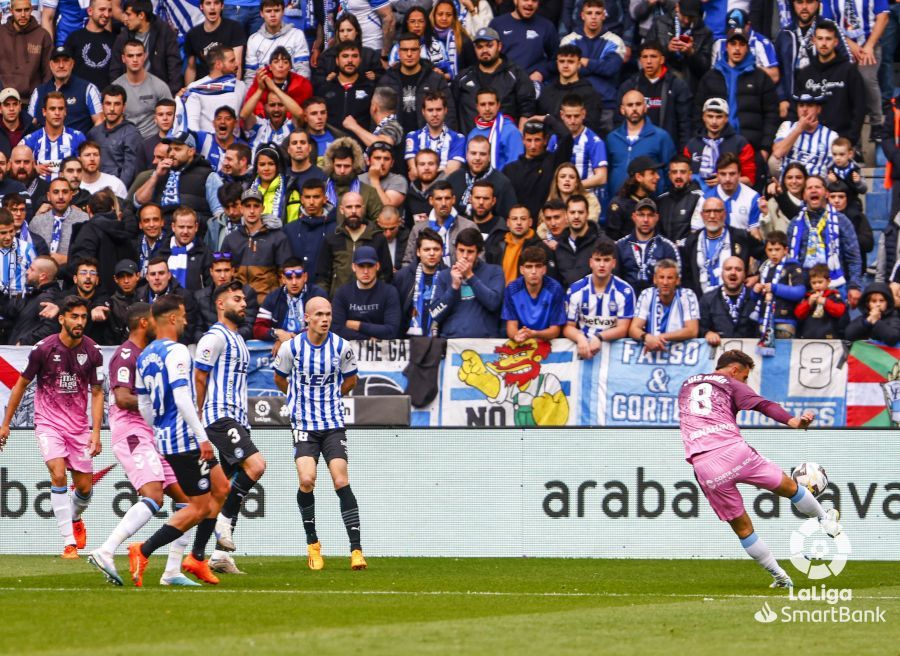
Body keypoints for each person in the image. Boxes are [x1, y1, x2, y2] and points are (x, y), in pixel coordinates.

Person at [677, 349, 840, 588]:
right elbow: (762, 404)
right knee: (790, 487)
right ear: (734, 370)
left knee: (743, 528)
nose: (744, 382)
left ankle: (780, 576)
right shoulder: (728, 381)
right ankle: (824, 519)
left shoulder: (686, 386)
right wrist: (793, 421)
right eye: (744, 377)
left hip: (703, 464)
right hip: (733, 451)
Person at [87, 303, 197, 587]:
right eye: (153, 319)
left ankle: (171, 571)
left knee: (188, 501)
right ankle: (106, 550)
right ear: (144, 323)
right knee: (153, 495)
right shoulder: (126, 354)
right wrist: (161, 402)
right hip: (132, 433)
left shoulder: (147, 355)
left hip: (151, 435)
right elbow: (122, 397)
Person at [129, 295, 230, 587]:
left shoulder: (145, 355)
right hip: (185, 440)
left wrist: (158, 429)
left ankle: (194, 560)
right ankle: (144, 550)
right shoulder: (178, 352)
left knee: (221, 487)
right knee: (197, 507)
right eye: (183, 316)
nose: (186, 321)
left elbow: (144, 405)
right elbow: (183, 397)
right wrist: (202, 438)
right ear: (172, 318)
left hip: (167, 435)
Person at [0, 295, 103, 558]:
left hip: (78, 428)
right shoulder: (43, 349)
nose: (80, 322)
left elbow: (98, 392)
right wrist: (5, 424)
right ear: (62, 319)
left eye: (83, 317)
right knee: (58, 475)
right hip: (48, 423)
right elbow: (20, 385)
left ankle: (76, 518)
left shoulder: (92, 351)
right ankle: (69, 543)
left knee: (84, 488)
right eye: (74, 317)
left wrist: (95, 432)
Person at [273, 296, 367, 571]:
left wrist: (331, 399)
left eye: (328, 314)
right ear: (307, 318)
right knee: (306, 480)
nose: (325, 319)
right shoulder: (291, 348)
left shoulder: (341, 346)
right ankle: (313, 545)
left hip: (333, 423)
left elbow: (351, 380)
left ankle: (356, 550)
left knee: (340, 480)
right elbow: (280, 378)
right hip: (303, 423)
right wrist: (297, 400)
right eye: (319, 314)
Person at [195, 281, 265, 572]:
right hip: (219, 417)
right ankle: (223, 525)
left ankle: (210, 556)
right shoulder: (214, 337)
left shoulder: (239, 340)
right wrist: (198, 423)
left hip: (238, 418)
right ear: (221, 304)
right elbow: (199, 377)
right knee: (257, 466)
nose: (244, 303)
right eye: (236, 299)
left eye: (244, 299)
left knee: (222, 490)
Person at [695, 24, 780, 164]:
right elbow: (697, 112)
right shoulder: (710, 77)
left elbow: (771, 115)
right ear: (726, 46)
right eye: (733, 43)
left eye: (741, 44)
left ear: (747, 47)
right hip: (715, 148)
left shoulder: (761, 77)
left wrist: (765, 149)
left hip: (751, 149)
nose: (737, 48)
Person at [786, 175, 863, 304]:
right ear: (804, 195)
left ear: (826, 193)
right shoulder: (795, 223)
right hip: (803, 287)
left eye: (818, 187)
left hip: (835, 285)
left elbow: (854, 257)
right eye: (809, 188)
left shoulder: (841, 220)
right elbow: (788, 256)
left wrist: (854, 286)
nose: (814, 190)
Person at [821, 0, 889, 138]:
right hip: (841, 45)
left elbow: (883, 17)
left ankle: (876, 123)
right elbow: (828, 23)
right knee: (846, 86)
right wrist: (849, 44)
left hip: (871, 43)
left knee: (866, 77)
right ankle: (850, 130)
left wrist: (869, 46)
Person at [794, 19, 866, 146]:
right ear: (813, 41)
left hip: (840, 142)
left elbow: (859, 107)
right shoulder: (804, 74)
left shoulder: (849, 71)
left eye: (828, 39)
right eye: (820, 38)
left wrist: (850, 139)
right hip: (811, 143)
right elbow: (797, 109)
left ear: (836, 42)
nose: (824, 43)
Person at [452, 27, 536, 133]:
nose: (484, 50)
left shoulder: (516, 74)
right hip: (470, 145)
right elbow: (451, 111)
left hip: (504, 144)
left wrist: (518, 138)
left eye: (489, 45)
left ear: (499, 46)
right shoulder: (463, 77)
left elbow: (527, 110)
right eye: (480, 47)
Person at [563, 239, 635, 358]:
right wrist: (580, 338)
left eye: (606, 260)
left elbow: (623, 329)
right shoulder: (575, 290)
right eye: (597, 260)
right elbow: (568, 327)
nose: (602, 265)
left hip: (614, 353)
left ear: (614, 263)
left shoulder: (625, 291)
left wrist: (599, 337)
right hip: (583, 349)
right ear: (591, 262)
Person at [681, 196, 764, 297]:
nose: (712, 216)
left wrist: (757, 277)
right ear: (702, 215)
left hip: (734, 301)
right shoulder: (692, 241)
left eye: (717, 211)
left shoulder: (740, 237)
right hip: (701, 303)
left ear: (724, 214)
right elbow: (685, 275)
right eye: (708, 211)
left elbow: (766, 254)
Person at [430, 226, 505, 338]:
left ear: (479, 253)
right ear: (455, 250)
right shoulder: (444, 276)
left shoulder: (495, 271)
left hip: (485, 344)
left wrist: (470, 276)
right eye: (461, 250)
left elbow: (493, 303)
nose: (465, 256)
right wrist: (454, 287)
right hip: (452, 343)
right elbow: (435, 314)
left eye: (470, 251)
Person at [616, 40, 692, 149]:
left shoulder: (676, 85)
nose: (649, 61)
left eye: (653, 56)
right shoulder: (629, 86)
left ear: (662, 59)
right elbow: (619, 120)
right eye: (645, 57)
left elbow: (685, 123)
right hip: (636, 147)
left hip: (667, 148)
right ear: (640, 60)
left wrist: (683, 151)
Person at [221, 188, 292, 304]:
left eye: (256, 206)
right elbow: (224, 274)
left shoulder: (278, 237)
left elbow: (284, 275)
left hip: (267, 305)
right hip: (239, 305)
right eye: (248, 206)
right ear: (241, 209)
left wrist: (278, 303)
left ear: (262, 208)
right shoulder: (231, 239)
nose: (252, 210)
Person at [378, 32, 455, 137]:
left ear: (419, 51)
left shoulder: (435, 79)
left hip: (428, 142)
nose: (409, 54)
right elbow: (377, 114)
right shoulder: (387, 80)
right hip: (395, 143)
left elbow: (448, 112)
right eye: (405, 50)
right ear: (399, 53)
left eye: (413, 49)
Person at [316, 191, 392, 296]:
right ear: (342, 210)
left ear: (363, 208)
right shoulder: (332, 238)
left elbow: (386, 275)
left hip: (371, 302)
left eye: (357, 206)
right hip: (339, 302)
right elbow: (323, 277)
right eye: (349, 207)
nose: (353, 211)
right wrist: (323, 301)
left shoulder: (377, 238)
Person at [133, 131, 217, 225]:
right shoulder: (161, 172)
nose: (172, 154)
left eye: (177, 149)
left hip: (191, 233)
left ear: (191, 151)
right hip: (161, 233)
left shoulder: (208, 175)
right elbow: (138, 202)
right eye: (170, 150)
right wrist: (155, 176)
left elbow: (218, 213)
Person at [606, 90, 676, 199]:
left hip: (651, 204)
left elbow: (670, 171)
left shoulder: (661, 136)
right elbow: (607, 172)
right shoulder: (612, 138)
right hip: (618, 202)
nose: (634, 108)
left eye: (638, 104)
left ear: (645, 107)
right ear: (622, 110)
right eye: (630, 105)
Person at [504, 117, 575, 221]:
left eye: (537, 140)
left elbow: (566, 137)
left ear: (546, 140)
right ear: (523, 140)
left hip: (547, 225)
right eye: (529, 140)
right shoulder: (510, 170)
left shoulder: (554, 162)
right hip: (519, 226)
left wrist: (547, 118)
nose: (533, 145)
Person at [67, 188, 136, 295]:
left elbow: (80, 265)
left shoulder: (88, 231)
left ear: (89, 210)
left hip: (97, 297)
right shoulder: (124, 229)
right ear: (113, 208)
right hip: (122, 296)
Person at [109, 0, 182, 95]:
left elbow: (174, 65)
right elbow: (115, 69)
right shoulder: (123, 37)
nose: (125, 19)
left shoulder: (164, 32)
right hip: (130, 94)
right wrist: (119, 95)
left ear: (141, 15)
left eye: (128, 14)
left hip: (159, 92)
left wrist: (170, 95)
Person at [684, 97, 757, 189]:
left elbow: (750, 180)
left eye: (719, 117)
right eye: (710, 116)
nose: (714, 122)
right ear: (704, 117)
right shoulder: (692, 145)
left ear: (726, 118)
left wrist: (725, 180)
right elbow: (684, 175)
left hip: (730, 195)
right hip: (697, 196)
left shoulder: (741, 144)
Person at [28, 45, 102, 135]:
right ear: (50, 65)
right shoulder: (39, 92)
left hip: (77, 147)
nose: (61, 65)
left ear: (72, 63)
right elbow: (30, 125)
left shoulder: (88, 89)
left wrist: (85, 143)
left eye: (65, 61)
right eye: (56, 61)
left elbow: (100, 122)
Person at [628, 258, 700, 351]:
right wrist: (647, 337)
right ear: (655, 279)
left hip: (680, 354)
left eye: (670, 278)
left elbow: (692, 331)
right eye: (661, 277)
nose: (665, 282)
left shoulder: (687, 295)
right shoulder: (647, 294)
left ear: (677, 280)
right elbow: (633, 329)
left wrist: (660, 337)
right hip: (651, 352)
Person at [332, 246, 401, 340]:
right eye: (361, 266)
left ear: (377, 266)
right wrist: (367, 339)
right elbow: (337, 329)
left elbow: (392, 331)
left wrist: (358, 325)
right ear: (353, 267)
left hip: (382, 352)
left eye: (370, 266)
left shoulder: (389, 292)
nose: (365, 271)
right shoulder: (342, 293)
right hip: (349, 351)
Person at [253, 258, 327, 345]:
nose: (294, 282)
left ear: (305, 277)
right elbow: (257, 329)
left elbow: (322, 324)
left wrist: (288, 342)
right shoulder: (273, 297)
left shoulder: (317, 295)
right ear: (283, 279)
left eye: (298, 277)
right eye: (289, 278)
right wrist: (277, 334)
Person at [403, 180, 477, 267]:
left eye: (447, 198)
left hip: (461, 278)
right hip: (426, 278)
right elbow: (408, 262)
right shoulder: (419, 229)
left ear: (453, 199)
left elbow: (479, 260)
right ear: (431, 200)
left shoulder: (468, 227)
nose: (443, 203)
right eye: (439, 199)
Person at [615, 198, 681, 295]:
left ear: (657, 218)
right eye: (641, 215)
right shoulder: (620, 246)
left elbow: (676, 281)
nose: (645, 220)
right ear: (634, 217)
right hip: (627, 303)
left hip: (657, 304)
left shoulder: (668, 247)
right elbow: (614, 280)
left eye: (650, 215)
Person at [751, 230, 806, 344]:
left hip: (785, 321)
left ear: (785, 250)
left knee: (784, 356)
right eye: (770, 250)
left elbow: (799, 292)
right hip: (764, 321)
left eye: (777, 249)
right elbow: (755, 299)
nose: (774, 253)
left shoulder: (792, 266)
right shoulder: (764, 268)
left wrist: (776, 288)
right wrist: (755, 292)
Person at [646, 0, 714, 91]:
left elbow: (705, 69)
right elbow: (646, 53)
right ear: (677, 7)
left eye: (691, 17)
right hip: (662, 82)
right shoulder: (660, 23)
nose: (686, 20)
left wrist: (691, 53)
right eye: (684, 15)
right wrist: (667, 49)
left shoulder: (704, 32)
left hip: (689, 85)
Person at [502, 245, 566, 343]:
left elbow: (555, 330)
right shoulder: (512, 289)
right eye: (529, 266)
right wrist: (516, 336)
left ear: (544, 269)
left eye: (538, 266)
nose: (533, 271)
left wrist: (534, 333)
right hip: (521, 343)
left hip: (547, 343)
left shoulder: (555, 289)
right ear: (522, 270)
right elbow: (511, 326)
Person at [112, 40, 173, 141]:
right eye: (130, 56)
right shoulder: (116, 88)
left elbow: (171, 116)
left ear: (144, 56)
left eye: (139, 55)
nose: (135, 59)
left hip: (154, 142)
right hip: (125, 142)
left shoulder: (159, 86)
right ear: (123, 58)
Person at [446, 135, 518, 219]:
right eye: (473, 153)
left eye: (482, 154)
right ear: (466, 155)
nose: (477, 158)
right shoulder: (455, 177)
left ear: (489, 157)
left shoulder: (502, 183)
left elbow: (509, 218)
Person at [194, 252, 259, 342]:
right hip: (209, 344)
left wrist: (224, 339)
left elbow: (248, 327)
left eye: (226, 270)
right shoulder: (200, 297)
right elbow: (197, 329)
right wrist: (210, 341)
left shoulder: (247, 293)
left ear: (233, 271)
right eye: (218, 271)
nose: (222, 276)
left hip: (237, 343)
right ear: (211, 272)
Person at [88, 85, 143, 188]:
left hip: (119, 191)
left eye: (117, 104)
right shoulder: (94, 133)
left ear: (124, 107)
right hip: (94, 190)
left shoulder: (131, 133)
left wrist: (117, 192)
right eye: (108, 104)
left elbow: (130, 170)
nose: (112, 109)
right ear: (102, 106)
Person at [23, 91, 87, 182]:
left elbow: (86, 166)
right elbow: (15, 164)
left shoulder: (78, 138)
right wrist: (34, 169)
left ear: (65, 111)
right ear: (44, 112)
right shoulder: (30, 140)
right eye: (52, 109)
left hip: (70, 192)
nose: (57, 113)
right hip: (39, 194)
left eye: (60, 109)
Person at [490, 0, 558, 84]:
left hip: (532, 85)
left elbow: (556, 59)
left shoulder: (546, 26)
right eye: (525, 0)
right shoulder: (497, 24)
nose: (530, 3)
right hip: (502, 84)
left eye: (534, 1)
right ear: (515, 1)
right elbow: (487, 57)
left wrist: (541, 73)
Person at [392, 228, 444, 336]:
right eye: (426, 249)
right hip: (409, 341)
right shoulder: (402, 277)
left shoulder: (449, 276)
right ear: (418, 252)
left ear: (442, 251)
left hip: (440, 341)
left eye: (436, 249)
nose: (432, 253)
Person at [772, 93, 838, 178]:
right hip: (790, 184)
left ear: (818, 109)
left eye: (810, 105)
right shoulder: (787, 126)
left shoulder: (831, 136)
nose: (805, 109)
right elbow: (778, 153)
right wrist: (799, 129)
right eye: (801, 105)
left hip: (814, 187)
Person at [404, 91, 465, 180]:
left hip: (446, 192)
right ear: (423, 112)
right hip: (420, 192)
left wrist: (426, 174)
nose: (435, 114)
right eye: (430, 110)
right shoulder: (412, 137)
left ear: (445, 110)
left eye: (438, 109)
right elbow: (414, 172)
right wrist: (441, 171)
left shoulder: (458, 139)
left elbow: (451, 172)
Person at [0, 254, 61, 344]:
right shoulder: (35, 294)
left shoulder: (45, 298)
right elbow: (12, 310)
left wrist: (23, 342)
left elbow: (50, 329)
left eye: (31, 269)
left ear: (42, 276)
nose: (27, 272)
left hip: (25, 355)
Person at [245, 0, 310, 84]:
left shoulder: (297, 35)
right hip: (264, 91)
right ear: (261, 13)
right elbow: (251, 75)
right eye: (268, 11)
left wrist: (290, 92)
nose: (272, 15)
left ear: (283, 12)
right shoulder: (253, 40)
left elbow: (303, 70)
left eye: (277, 10)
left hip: (292, 90)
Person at [699, 256, 759, 346]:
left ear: (745, 274)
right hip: (719, 353)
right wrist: (707, 333)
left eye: (738, 269)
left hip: (751, 353)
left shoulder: (756, 298)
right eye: (728, 269)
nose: (733, 272)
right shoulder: (708, 299)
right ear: (722, 274)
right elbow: (700, 327)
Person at [29, 176, 88, 265]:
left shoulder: (84, 220)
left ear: (71, 195)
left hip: (73, 275)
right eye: (56, 192)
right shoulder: (37, 222)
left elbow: (89, 254)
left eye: (65, 192)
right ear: (48, 196)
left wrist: (67, 259)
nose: (60, 196)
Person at [184, 0, 246, 84]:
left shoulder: (234, 28)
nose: (212, 7)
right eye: (208, 3)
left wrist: (234, 91)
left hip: (228, 83)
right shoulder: (192, 35)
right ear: (201, 7)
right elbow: (191, 69)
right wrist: (188, 92)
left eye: (216, 3)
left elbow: (237, 64)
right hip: (204, 86)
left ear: (222, 6)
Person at [0, 0, 51, 100]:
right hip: (4, 101)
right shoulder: (1, 33)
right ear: (11, 11)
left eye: (26, 10)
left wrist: (42, 99)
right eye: (18, 10)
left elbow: (48, 73)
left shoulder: (42, 35)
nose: (23, 14)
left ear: (32, 9)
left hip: (32, 101)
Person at [244, 45, 312, 121]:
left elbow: (302, 115)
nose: (281, 65)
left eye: (285, 62)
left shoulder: (301, 85)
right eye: (276, 62)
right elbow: (244, 115)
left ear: (290, 67)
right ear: (270, 67)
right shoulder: (260, 81)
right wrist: (260, 89)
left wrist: (274, 88)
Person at [705, 152, 762, 238]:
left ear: (739, 174)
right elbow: (696, 231)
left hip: (743, 248)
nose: (727, 179)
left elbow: (755, 234)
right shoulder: (705, 199)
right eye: (723, 174)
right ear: (717, 175)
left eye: (732, 174)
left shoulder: (753, 197)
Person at [284, 178, 336, 270]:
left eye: (316, 197)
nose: (311, 202)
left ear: (325, 199)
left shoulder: (335, 229)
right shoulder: (289, 229)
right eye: (307, 197)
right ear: (302, 199)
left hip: (324, 283)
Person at [555, 195, 606, 287]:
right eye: (572, 212)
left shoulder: (603, 244)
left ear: (587, 214)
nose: (576, 216)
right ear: (566, 215)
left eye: (580, 212)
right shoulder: (559, 247)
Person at [606, 156, 661, 240]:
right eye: (652, 173)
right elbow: (612, 241)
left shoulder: (654, 201)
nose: (658, 177)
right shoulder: (619, 204)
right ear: (639, 177)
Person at [63, 0, 114, 91]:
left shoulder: (114, 39)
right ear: (90, 11)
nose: (106, 14)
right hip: (79, 96)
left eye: (109, 10)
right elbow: (65, 69)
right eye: (102, 9)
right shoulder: (74, 38)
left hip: (106, 99)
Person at [657, 154, 704, 244]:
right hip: (664, 254)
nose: (678, 176)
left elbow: (698, 233)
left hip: (688, 254)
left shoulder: (699, 198)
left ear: (690, 174)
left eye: (682, 172)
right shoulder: (661, 200)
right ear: (669, 175)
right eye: (674, 172)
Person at [795, 262, 848, 338]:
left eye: (820, 282)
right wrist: (808, 303)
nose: (817, 285)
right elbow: (798, 314)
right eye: (813, 283)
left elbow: (840, 311)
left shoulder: (833, 296)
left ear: (828, 281)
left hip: (829, 337)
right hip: (808, 338)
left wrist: (825, 302)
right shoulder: (808, 297)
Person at [104, 259, 142, 345]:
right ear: (115, 279)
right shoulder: (111, 304)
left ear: (138, 276)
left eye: (129, 276)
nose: (126, 281)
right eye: (122, 277)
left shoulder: (146, 297)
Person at [359, 141, 407, 208]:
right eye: (377, 158)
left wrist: (374, 179)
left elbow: (387, 207)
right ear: (368, 161)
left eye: (386, 159)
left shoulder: (399, 180)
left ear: (392, 163)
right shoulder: (358, 180)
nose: (382, 162)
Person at [0, 208, 36, 296]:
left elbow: (37, 279)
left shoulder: (27, 249)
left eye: (11, 231)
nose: (8, 237)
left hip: (21, 305)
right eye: (3, 233)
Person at [0, 88, 36, 157]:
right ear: (0, 109)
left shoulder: (32, 130)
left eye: (15, 104)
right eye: (7, 105)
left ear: (20, 106)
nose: (11, 109)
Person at [376, 205, 408, 272]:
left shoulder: (407, 238)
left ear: (399, 222)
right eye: (384, 229)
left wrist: (400, 273)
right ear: (378, 222)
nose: (388, 234)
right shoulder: (372, 238)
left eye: (392, 228)